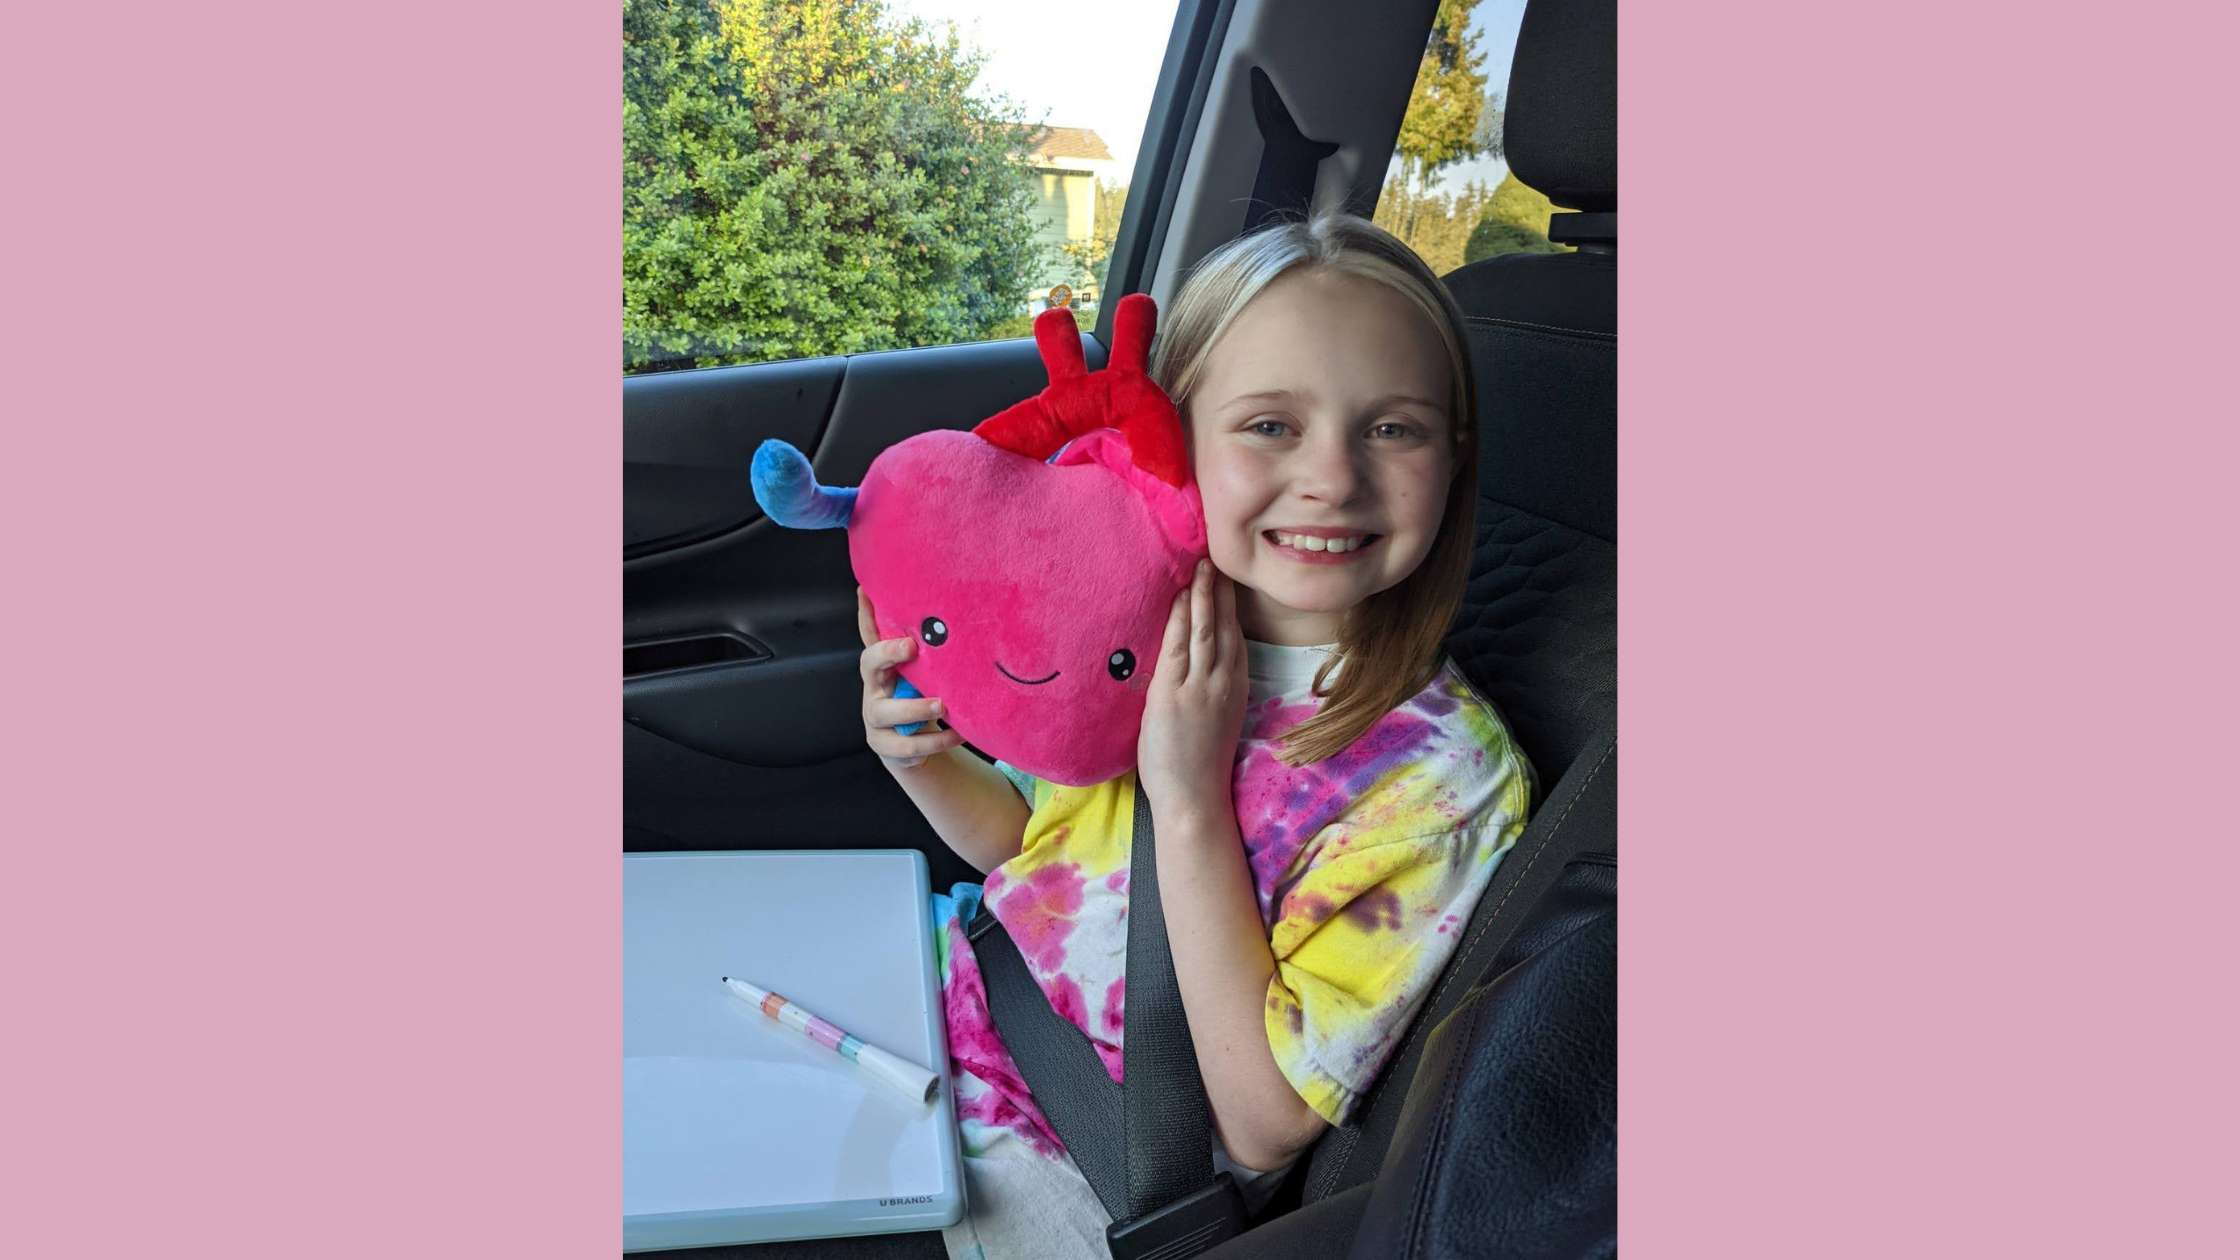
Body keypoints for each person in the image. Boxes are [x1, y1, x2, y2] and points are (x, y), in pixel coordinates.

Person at [854, 212, 1533, 1260]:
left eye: (1391, 428)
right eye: (1269, 425)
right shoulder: (1147, 625)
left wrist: (1184, 795)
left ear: (1452, 455)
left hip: (1076, 1163)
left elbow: (1264, 1122)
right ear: (1168, 440)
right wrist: (921, 756)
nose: (1332, 478)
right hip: (952, 1017)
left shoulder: (1442, 780)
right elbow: (1026, 859)